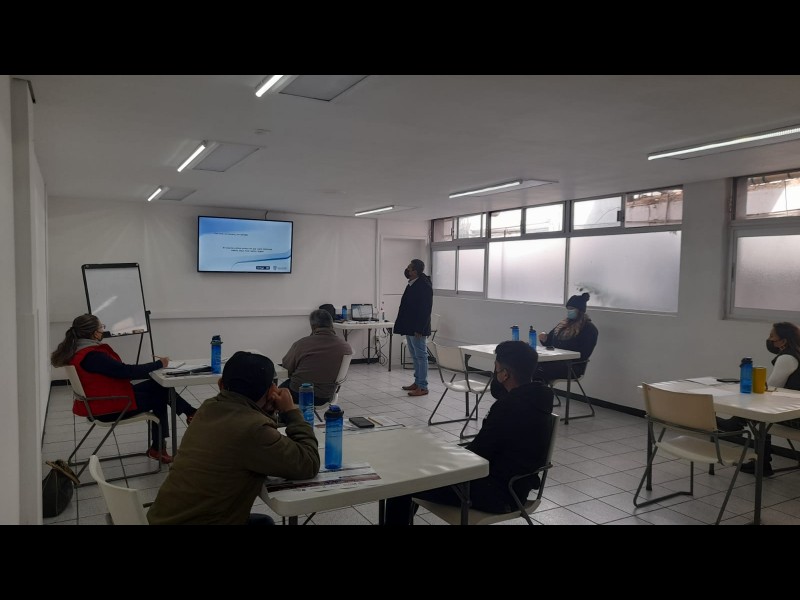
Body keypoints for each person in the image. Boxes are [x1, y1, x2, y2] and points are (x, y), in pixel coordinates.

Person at [384, 340, 554, 524]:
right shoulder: (538, 399)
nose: (494, 373)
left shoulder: (508, 408)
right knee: (419, 470)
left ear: (505, 374)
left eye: (496, 368)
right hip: (514, 486)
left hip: (496, 492)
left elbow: (477, 454)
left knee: (402, 483)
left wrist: (442, 458)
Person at [147, 351, 320, 525]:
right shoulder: (254, 429)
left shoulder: (208, 407)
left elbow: (251, 430)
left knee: (263, 522)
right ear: (270, 392)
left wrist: (267, 410)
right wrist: (291, 412)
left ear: (220, 384)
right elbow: (309, 463)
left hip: (164, 518)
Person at [50, 313, 196, 464]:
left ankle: (189, 415)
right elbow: (126, 372)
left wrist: (154, 367)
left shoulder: (78, 351)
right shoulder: (93, 356)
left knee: (159, 386)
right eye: (101, 327)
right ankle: (163, 442)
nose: (103, 330)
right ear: (94, 333)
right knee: (160, 396)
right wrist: (160, 364)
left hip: (101, 401)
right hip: (108, 408)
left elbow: (122, 372)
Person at [718, 321, 800, 477]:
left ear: (783, 341)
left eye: (772, 336)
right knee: (762, 408)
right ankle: (761, 461)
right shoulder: (797, 353)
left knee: (760, 409)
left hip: (795, 415)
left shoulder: (787, 358)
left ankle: (760, 461)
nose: (769, 340)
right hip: (796, 408)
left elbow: (771, 387)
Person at [280, 309, 353, 406]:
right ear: (331, 325)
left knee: (275, 393)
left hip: (299, 394)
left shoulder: (301, 344)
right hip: (326, 396)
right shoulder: (345, 347)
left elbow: (286, 368)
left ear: (313, 327)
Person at [536, 292, 598, 381]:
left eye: (572, 309)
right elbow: (550, 342)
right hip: (556, 361)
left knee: (538, 369)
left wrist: (564, 354)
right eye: (568, 309)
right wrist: (544, 338)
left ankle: (538, 388)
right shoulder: (563, 325)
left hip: (572, 366)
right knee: (531, 365)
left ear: (580, 310)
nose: (569, 311)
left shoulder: (589, 329)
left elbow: (583, 354)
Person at [394, 258, 433, 397]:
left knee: (421, 356)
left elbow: (425, 309)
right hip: (410, 326)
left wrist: (420, 329)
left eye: (409, 268)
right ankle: (417, 382)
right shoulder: (413, 283)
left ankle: (423, 386)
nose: (407, 270)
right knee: (415, 356)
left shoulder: (424, 285)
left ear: (415, 271)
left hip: (418, 329)